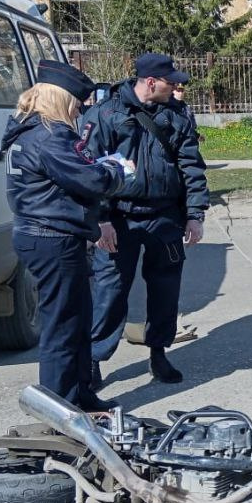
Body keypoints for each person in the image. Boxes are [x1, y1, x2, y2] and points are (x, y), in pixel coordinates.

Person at [2, 60, 133, 412]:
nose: (80, 108)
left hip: (50, 236)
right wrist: (116, 170)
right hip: (51, 238)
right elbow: (93, 180)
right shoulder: (49, 136)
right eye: (76, 101)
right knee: (62, 330)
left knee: (75, 323)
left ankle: (81, 397)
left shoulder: (29, 131)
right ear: (60, 99)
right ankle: (60, 410)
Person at [83, 53, 209, 388]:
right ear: (150, 82)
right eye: (171, 82)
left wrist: (194, 214)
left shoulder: (177, 114)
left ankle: (158, 352)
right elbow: (91, 172)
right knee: (110, 291)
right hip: (119, 219)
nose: (176, 87)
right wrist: (101, 220)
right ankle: (93, 359)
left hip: (165, 217)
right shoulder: (107, 113)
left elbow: (191, 166)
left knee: (165, 289)